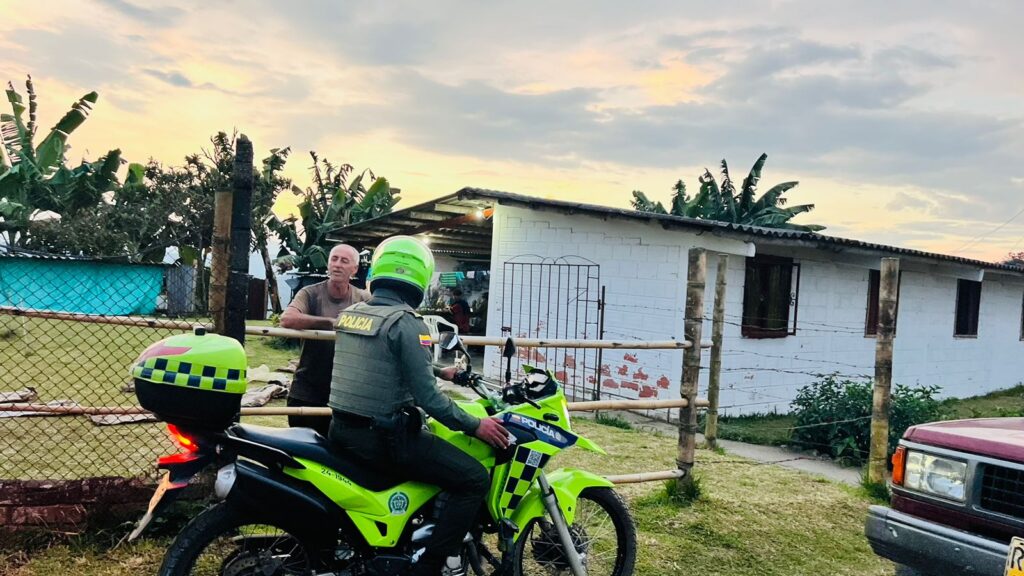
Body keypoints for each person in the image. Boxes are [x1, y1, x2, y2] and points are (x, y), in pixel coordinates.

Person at [327, 235, 510, 576]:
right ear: (420, 278)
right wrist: (476, 425)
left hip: (343, 430)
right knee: (472, 479)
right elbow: (431, 401)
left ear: (377, 271)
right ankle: (428, 567)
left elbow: (382, 359)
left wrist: (443, 371)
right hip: (387, 441)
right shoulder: (407, 323)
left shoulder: (353, 314)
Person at [279, 244, 369, 436]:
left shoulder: (363, 298)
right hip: (307, 391)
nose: (337, 265)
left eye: (344, 261)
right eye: (334, 259)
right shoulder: (310, 293)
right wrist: (331, 322)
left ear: (354, 269)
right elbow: (287, 319)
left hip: (345, 393)